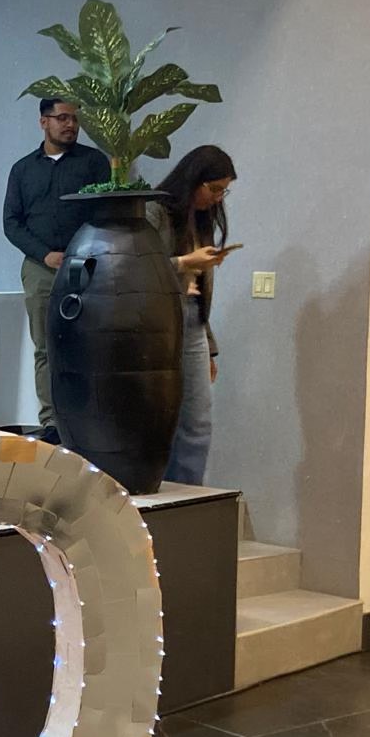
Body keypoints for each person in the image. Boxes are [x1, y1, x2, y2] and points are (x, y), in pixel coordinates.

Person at [3, 98, 111, 431]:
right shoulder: (23, 169)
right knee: (46, 346)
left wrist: (82, 252)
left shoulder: (94, 162)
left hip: (85, 265)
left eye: (75, 119)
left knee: (86, 343)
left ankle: (86, 418)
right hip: (40, 267)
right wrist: (44, 254)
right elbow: (11, 223)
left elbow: (104, 212)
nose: (71, 125)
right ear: (43, 122)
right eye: (62, 118)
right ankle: (51, 421)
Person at [146, 145, 238, 485]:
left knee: (198, 421)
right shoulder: (155, 211)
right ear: (193, 180)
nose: (218, 198)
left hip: (193, 322)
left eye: (223, 191)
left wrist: (209, 348)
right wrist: (185, 263)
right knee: (160, 419)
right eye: (214, 188)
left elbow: (199, 293)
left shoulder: (202, 218)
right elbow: (138, 269)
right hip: (156, 324)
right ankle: (162, 496)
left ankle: (190, 497)